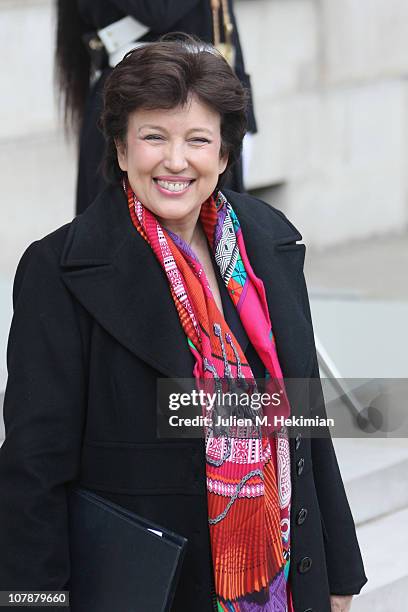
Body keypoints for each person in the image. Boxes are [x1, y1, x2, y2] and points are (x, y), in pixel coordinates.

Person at [0, 39, 367, 611]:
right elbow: (33, 468)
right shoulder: (60, 270)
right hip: (148, 587)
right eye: (154, 137)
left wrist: (339, 569)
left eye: (198, 139)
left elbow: (305, 418)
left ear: (223, 156)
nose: (176, 160)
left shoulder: (267, 245)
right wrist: (33, 603)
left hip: (280, 581)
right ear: (121, 149)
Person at [55, 0, 257, 215]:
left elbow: (221, 27)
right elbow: (157, 10)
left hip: (211, 101)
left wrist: (244, 117)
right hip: (138, 96)